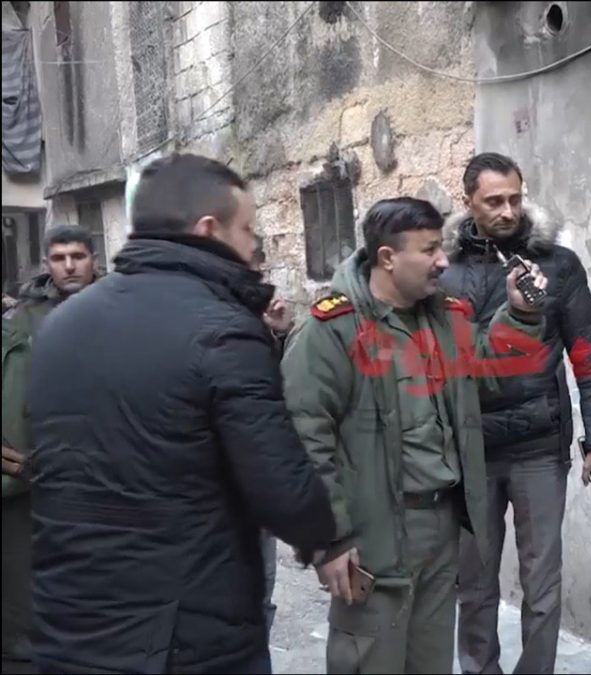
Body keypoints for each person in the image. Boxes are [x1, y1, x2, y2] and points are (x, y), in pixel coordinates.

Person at [26, 153, 336, 674]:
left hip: (71, 624)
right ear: (208, 229)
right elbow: (282, 488)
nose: (255, 247)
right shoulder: (223, 329)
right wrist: (326, 535)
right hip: (186, 634)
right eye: (248, 231)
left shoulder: (61, 325)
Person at [281, 196, 549, 674]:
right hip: (373, 533)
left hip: (442, 526)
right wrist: (330, 539)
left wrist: (520, 314)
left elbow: (490, 371)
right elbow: (303, 439)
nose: (443, 261)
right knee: (370, 660)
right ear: (388, 257)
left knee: (430, 662)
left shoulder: (447, 317)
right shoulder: (333, 329)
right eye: (428, 250)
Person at [439, 152, 591, 675]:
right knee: (474, 584)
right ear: (468, 201)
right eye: (494, 201)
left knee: (542, 584)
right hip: (470, 450)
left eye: (515, 198)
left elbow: (589, 353)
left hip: (539, 446)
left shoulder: (557, 265)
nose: (508, 210)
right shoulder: (444, 271)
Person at [2, 225, 100, 675]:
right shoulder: (21, 319)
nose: (69, 266)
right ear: (46, 265)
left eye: (78, 256)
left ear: (94, 259)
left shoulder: (122, 305)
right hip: (35, 473)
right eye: (59, 258)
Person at [249, 234, 294, 635]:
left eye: (258, 265)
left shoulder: (262, 318)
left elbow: (282, 387)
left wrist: (280, 335)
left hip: (258, 472)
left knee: (261, 585)